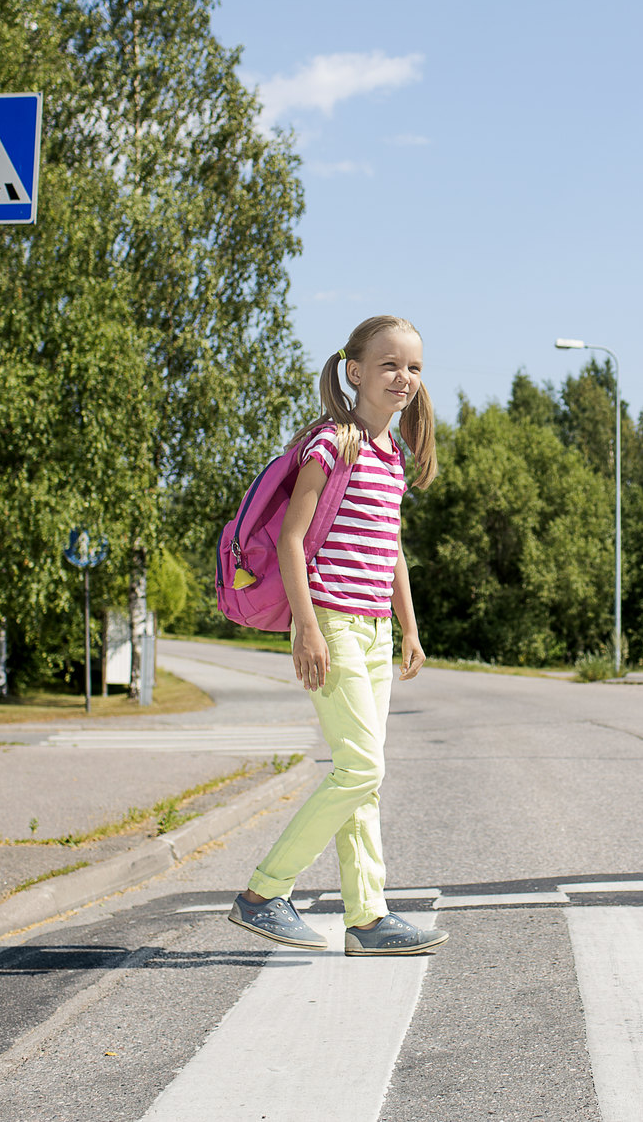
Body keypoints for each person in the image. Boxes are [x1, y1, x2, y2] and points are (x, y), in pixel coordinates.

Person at [228, 315, 446, 956]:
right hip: (333, 621)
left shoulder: (391, 455)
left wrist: (408, 627)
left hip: (376, 628)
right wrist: (306, 628)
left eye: (414, 368)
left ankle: (367, 918)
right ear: (355, 371)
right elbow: (293, 539)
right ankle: (264, 893)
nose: (403, 378)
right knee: (360, 767)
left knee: (363, 776)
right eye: (389, 365)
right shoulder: (333, 442)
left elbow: (392, 550)